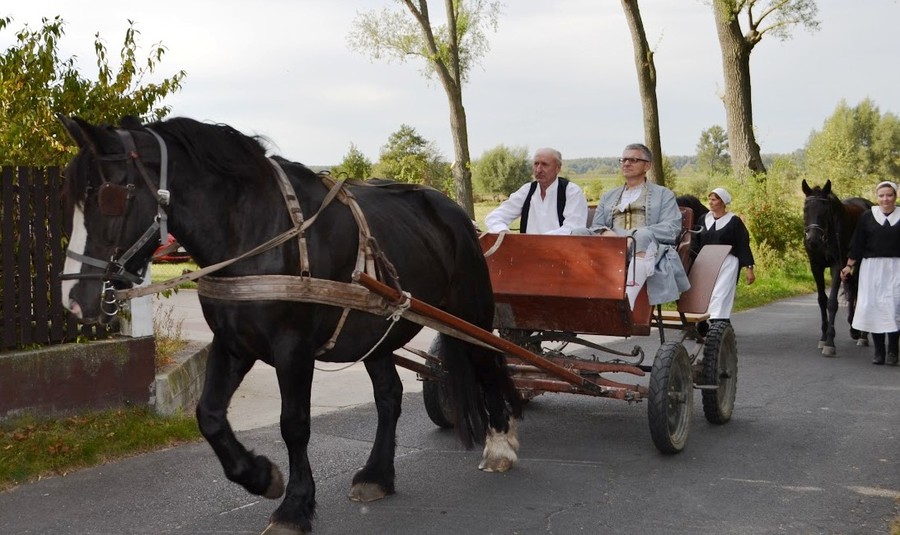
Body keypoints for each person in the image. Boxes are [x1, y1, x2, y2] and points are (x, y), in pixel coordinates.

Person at [573, 143, 689, 308]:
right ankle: (574, 296)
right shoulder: (608, 196)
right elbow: (597, 225)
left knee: (641, 235)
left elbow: (671, 228)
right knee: (577, 232)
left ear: (647, 165)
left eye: (633, 160)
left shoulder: (664, 194)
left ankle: (627, 302)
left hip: (649, 248)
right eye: (623, 160)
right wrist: (608, 235)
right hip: (609, 247)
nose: (626, 163)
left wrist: (631, 237)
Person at [841, 180, 900, 365]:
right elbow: (858, 243)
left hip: (896, 267)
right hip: (872, 269)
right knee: (874, 307)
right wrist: (849, 266)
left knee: (894, 308)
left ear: (895, 197)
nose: (885, 199)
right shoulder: (867, 216)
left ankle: (893, 351)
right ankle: (879, 352)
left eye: (889, 195)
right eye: (881, 195)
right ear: (877, 197)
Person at [484, 148, 588, 235]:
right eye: (536, 164)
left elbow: (573, 229)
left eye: (544, 164)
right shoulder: (527, 190)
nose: (538, 170)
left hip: (562, 254)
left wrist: (538, 241)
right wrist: (502, 231)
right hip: (528, 253)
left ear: (557, 168)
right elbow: (494, 217)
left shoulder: (572, 192)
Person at [697, 187, 756, 323]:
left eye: (714, 199)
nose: (710, 202)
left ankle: (719, 323)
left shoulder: (734, 221)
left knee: (721, 294)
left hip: (727, 263)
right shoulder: (703, 219)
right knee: (706, 293)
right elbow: (696, 242)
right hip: (706, 263)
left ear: (722, 202)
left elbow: (743, 244)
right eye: (709, 199)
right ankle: (703, 323)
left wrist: (749, 269)